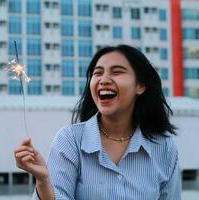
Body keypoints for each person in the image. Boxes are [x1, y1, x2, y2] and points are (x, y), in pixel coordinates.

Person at [14, 45, 181, 199]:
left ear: (140, 86)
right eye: (98, 73)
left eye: (117, 72)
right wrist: (43, 181)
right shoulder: (70, 140)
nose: (104, 80)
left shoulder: (164, 146)